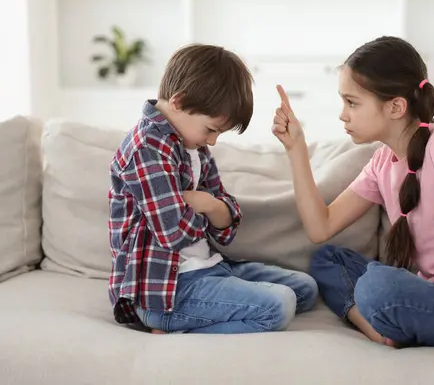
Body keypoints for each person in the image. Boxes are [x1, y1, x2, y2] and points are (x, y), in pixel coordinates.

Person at [271, 36, 434, 347]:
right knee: (328, 259)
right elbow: (320, 227)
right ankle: (377, 329)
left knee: (378, 287)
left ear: (396, 106)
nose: (343, 114)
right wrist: (296, 148)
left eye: (352, 102)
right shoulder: (383, 161)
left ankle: (385, 318)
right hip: (433, 297)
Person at [108, 44, 318, 334]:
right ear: (179, 102)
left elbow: (226, 225)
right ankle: (171, 326)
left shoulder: (193, 144)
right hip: (167, 291)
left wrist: (206, 204)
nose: (214, 141)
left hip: (208, 266)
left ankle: (217, 304)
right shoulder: (147, 149)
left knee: (305, 289)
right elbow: (174, 233)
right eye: (212, 130)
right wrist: (212, 210)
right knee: (280, 305)